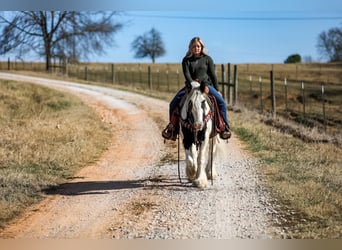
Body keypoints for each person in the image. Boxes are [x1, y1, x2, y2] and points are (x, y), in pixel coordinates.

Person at [162, 37, 231, 141]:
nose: (196, 48)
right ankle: (173, 129)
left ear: (202, 47)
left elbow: (213, 75)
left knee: (222, 103)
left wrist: (217, 90)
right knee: (173, 103)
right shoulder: (186, 60)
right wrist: (192, 83)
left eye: (198, 46)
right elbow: (187, 74)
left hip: (206, 86)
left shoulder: (208, 59)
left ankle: (224, 127)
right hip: (190, 86)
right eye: (194, 46)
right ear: (190, 48)